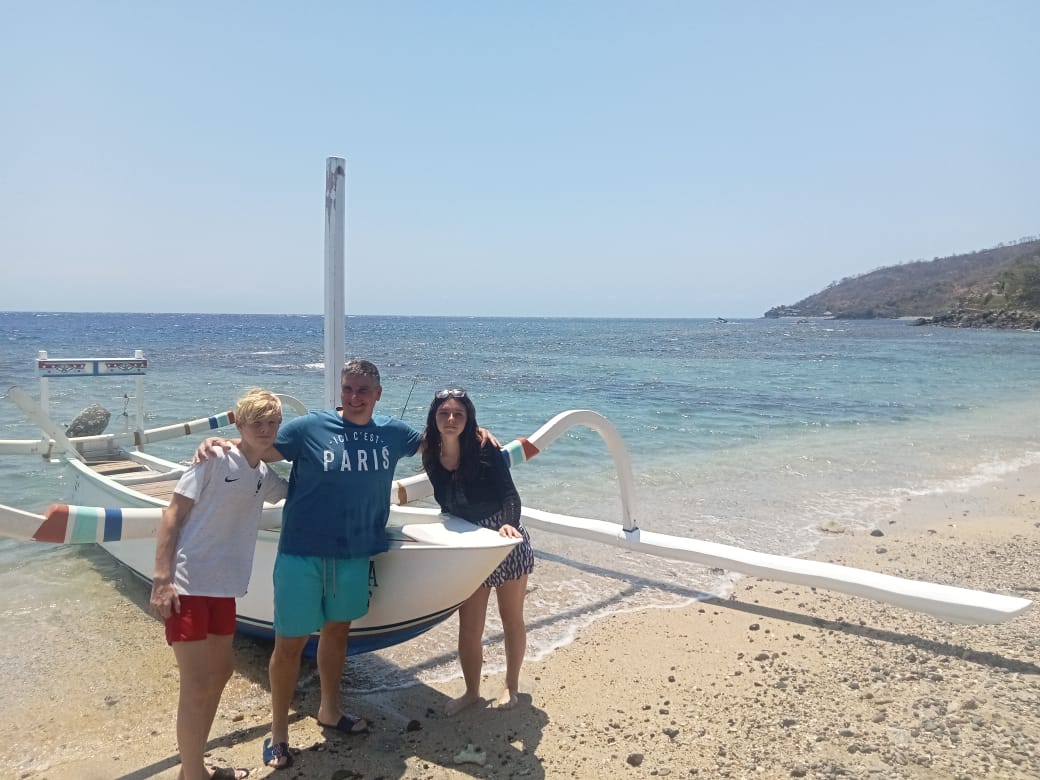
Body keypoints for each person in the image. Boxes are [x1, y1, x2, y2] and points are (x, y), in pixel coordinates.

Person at [195, 360, 497, 770]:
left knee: (338, 633)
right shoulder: (309, 428)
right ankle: (278, 733)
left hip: (355, 554)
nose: (354, 397)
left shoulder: (392, 432)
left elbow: (443, 442)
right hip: (302, 551)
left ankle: (329, 711)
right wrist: (217, 445)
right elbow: (258, 446)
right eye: (348, 389)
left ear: (378, 394)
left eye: (363, 390)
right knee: (290, 643)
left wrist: (477, 434)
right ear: (340, 390)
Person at [151, 388, 288, 780]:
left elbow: (298, 492)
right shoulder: (211, 459)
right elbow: (172, 516)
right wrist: (162, 580)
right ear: (239, 423)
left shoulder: (263, 475)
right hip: (189, 584)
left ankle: (192, 766)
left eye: (272, 423)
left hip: (224, 589)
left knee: (221, 673)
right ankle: (194, 773)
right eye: (257, 422)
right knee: (195, 683)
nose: (265, 429)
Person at [421, 387, 535, 715]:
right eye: (444, 413)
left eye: (459, 413)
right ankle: (471, 691)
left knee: (512, 619)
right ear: (435, 418)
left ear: (469, 418)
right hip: (468, 545)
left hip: (503, 540)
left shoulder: (484, 448)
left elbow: (510, 495)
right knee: (469, 626)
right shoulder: (430, 453)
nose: (451, 419)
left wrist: (509, 524)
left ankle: (510, 686)